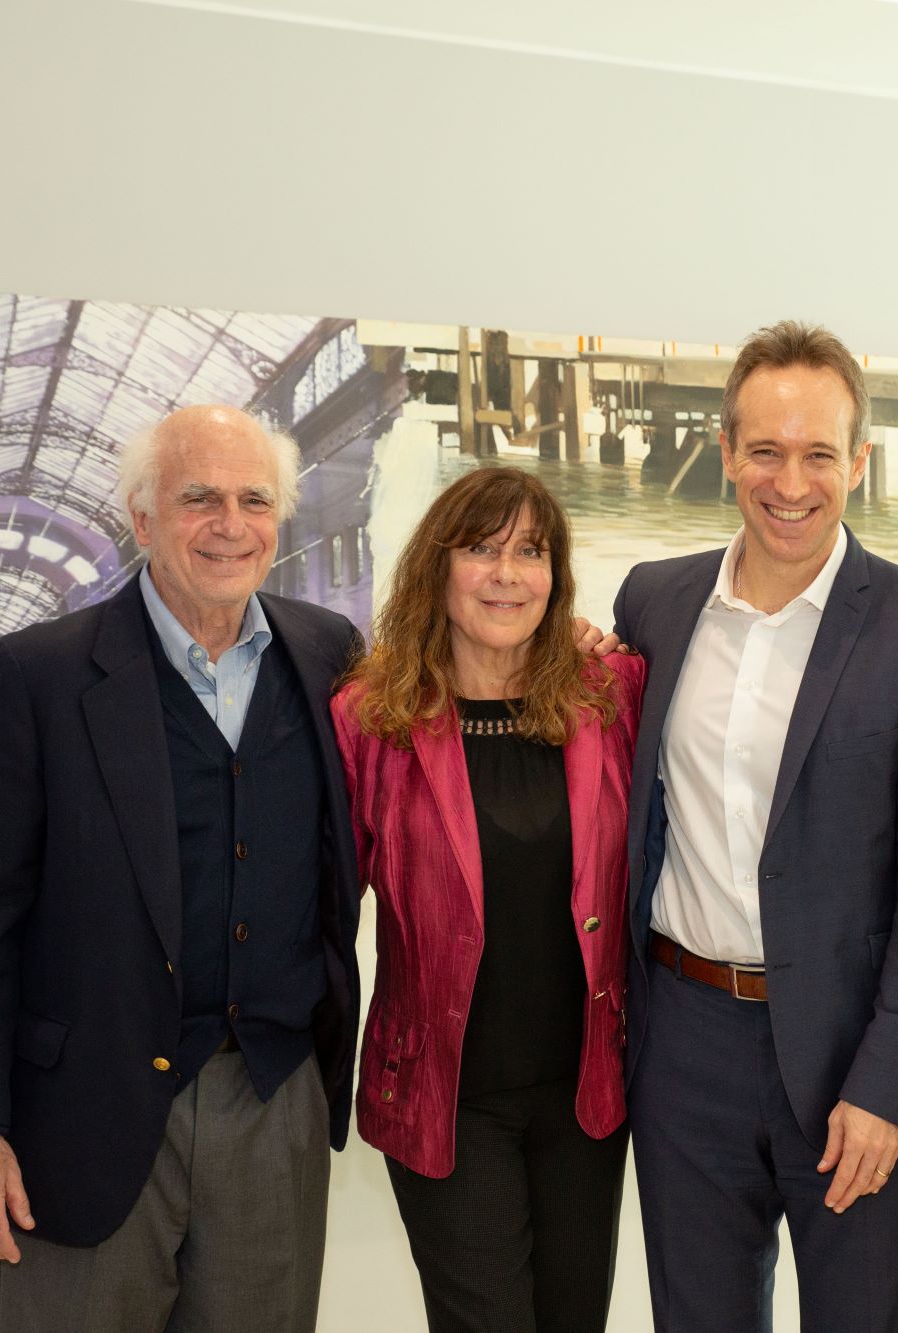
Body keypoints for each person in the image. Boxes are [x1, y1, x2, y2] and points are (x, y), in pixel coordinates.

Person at [0, 404, 365, 1332]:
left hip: (272, 1099)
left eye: (254, 499)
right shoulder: (38, 676)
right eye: (199, 497)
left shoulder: (328, 655)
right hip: (83, 1117)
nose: (230, 525)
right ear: (144, 515)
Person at [612, 321, 898, 1332]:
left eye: (818, 453)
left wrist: (886, 1081)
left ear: (857, 464)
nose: (790, 480)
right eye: (765, 451)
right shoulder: (654, 601)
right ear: (726, 451)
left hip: (850, 1054)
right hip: (682, 1041)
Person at [330, 466, 645, 1333]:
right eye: (481, 548)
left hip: (584, 1094)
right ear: (438, 567)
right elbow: (317, 904)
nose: (508, 573)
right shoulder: (371, 719)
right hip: (443, 1096)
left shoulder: (610, 697)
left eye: (531, 552)